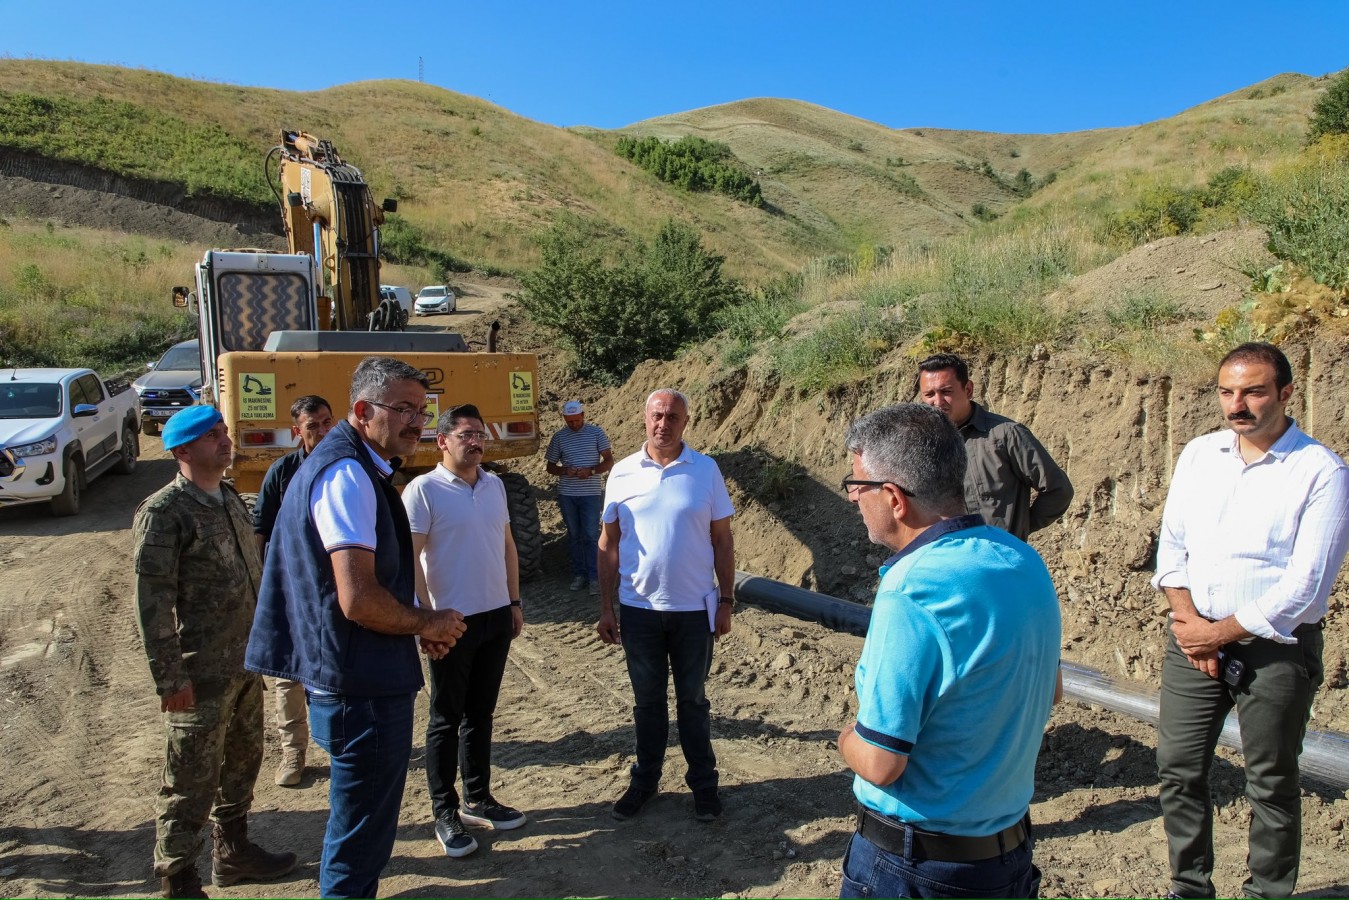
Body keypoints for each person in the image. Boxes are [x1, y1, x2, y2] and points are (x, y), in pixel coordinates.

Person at [244, 357, 467, 899]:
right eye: (405, 409)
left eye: (423, 410)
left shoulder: (353, 465)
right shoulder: (346, 473)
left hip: (352, 677)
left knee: (357, 830)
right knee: (359, 841)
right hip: (359, 688)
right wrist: (427, 620)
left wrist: (416, 626)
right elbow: (359, 599)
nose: (418, 422)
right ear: (364, 411)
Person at [837, 402, 1060, 899]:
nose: (853, 499)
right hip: (1006, 857)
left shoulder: (911, 591)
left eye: (857, 486)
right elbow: (1053, 690)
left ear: (894, 497)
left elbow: (880, 762)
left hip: (915, 866)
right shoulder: (1022, 560)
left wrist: (845, 735)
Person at [1152, 342, 1349, 900]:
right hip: (1193, 637)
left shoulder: (1321, 472)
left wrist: (1219, 633)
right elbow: (1172, 548)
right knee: (1178, 767)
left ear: (1286, 393)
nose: (1237, 404)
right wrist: (1190, 622)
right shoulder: (1199, 455)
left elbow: (1306, 586)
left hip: (1276, 648)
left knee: (1271, 781)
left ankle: (1268, 893)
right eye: (1227, 391)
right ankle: (1189, 887)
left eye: (1254, 391)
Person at [133, 405, 297, 899]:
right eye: (211, 436)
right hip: (198, 674)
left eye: (224, 432)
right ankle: (178, 879)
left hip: (244, 664)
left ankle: (233, 854)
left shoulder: (228, 497)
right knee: (188, 781)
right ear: (182, 451)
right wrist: (170, 679)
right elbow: (153, 604)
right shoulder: (164, 514)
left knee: (242, 765)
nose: (225, 441)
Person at [596, 388, 735, 823]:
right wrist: (605, 607)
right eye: (657, 415)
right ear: (645, 418)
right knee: (647, 703)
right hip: (638, 610)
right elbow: (608, 543)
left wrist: (727, 600)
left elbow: (722, 539)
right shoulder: (620, 473)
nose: (664, 423)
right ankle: (644, 782)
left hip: (695, 609)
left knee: (693, 701)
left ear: (686, 422)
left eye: (673, 416)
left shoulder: (706, 470)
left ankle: (704, 787)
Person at [403, 403, 527, 859]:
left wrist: (513, 602)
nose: (475, 442)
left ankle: (479, 797)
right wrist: (424, 620)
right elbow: (409, 560)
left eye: (480, 434)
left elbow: (508, 546)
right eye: (466, 435)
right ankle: (445, 812)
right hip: (450, 623)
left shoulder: (494, 485)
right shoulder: (423, 491)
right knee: (445, 718)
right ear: (442, 441)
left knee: (481, 714)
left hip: (495, 616)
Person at [251, 394, 334, 787]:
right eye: (313, 425)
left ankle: (340, 743)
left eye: (326, 422)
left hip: (334, 586)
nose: (322, 430)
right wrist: (265, 582)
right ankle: (293, 752)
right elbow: (260, 528)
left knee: (335, 666)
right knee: (288, 674)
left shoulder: (346, 467)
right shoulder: (282, 472)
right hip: (288, 586)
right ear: (296, 431)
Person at [916, 353, 1073, 540]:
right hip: (951, 564)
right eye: (929, 394)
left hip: (1003, 560)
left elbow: (1058, 490)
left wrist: (1020, 529)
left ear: (968, 389)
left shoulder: (1006, 435)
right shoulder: (922, 446)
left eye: (946, 392)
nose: (937, 402)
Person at [545, 399, 614, 595]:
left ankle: (594, 577)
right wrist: (566, 471)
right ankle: (579, 575)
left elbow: (609, 461)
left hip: (590, 493)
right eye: (569, 422)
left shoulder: (596, 433)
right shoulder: (559, 437)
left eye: (576, 420)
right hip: (568, 494)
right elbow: (550, 467)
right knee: (574, 536)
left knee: (591, 536)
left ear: (583, 416)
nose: (573, 424)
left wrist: (591, 471)